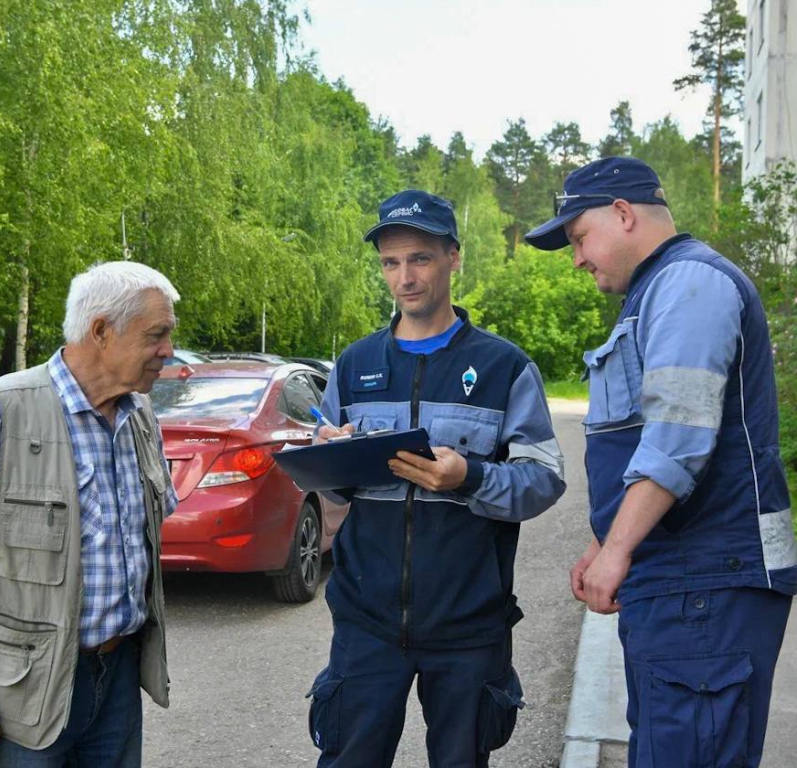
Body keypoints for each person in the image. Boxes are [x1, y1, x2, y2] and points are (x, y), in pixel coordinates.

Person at [525, 156, 796, 768]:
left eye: (578, 237)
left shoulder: (689, 284)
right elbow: (643, 436)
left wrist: (618, 548)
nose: (577, 258)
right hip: (687, 583)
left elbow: (678, 435)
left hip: (705, 582)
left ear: (623, 214)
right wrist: (604, 541)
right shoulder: (660, 290)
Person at [307, 190, 567, 767]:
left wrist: (468, 477)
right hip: (366, 623)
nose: (405, 277)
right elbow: (329, 490)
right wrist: (327, 462)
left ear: (454, 256)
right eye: (391, 262)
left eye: (420, 258)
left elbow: (544, 479)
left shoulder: (504, 367)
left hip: (469, 627)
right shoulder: (354, 366)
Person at [0, 261, 180, 768]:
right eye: (157, 335)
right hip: (26, 690)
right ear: (101, 330)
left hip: (119, 677)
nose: (168, 352)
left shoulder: (139, 415)